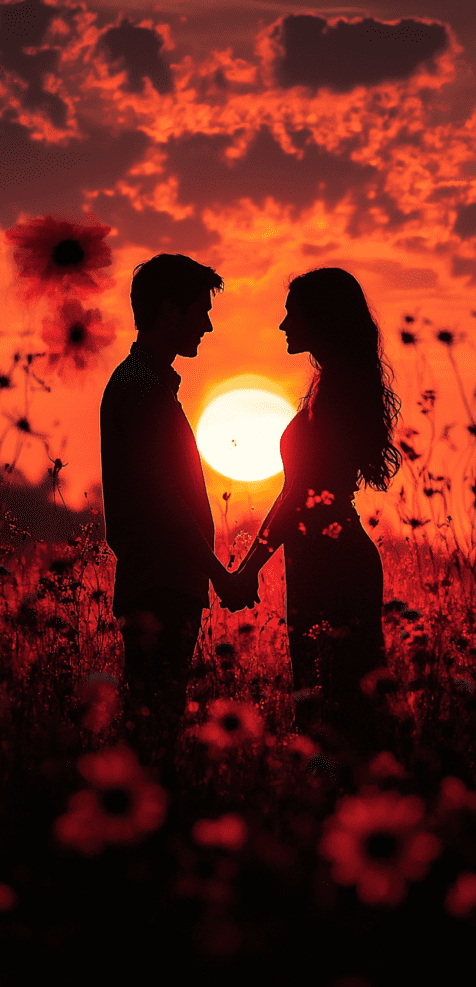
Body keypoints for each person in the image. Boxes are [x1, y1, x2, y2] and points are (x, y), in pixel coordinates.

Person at [221, 267, 403, 759]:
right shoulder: (332, 387)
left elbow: (298, 494)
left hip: (332, 560)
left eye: (291, 314)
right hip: (325, 555)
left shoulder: (338, 394)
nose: (282, 325)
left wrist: (247, 571)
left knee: (335, 707)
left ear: (320, 319)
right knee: (332, 701)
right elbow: (297, 493)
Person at [99, 253, 259, 790]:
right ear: (169, 310)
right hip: (159, 586)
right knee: (152, 731)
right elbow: (164, 501)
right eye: (200, 311)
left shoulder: (147, 383)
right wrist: (218, 573)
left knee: (152, 723)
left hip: (159, 583)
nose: (207, 324)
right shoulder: (144, 389)